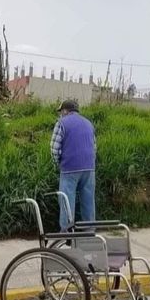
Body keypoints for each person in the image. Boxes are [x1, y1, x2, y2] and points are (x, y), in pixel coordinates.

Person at [50, 99, 96, 231]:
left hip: (69, 168)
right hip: (89, 168)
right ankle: (90, 232)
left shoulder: (62, 123)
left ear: (65, 111)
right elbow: (94, 147)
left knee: (66, 202)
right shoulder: (88, 123)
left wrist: (57, 164)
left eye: (61, 112)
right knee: (88, 201)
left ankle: (67, 232)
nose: (60, 114)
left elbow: (54, 148)